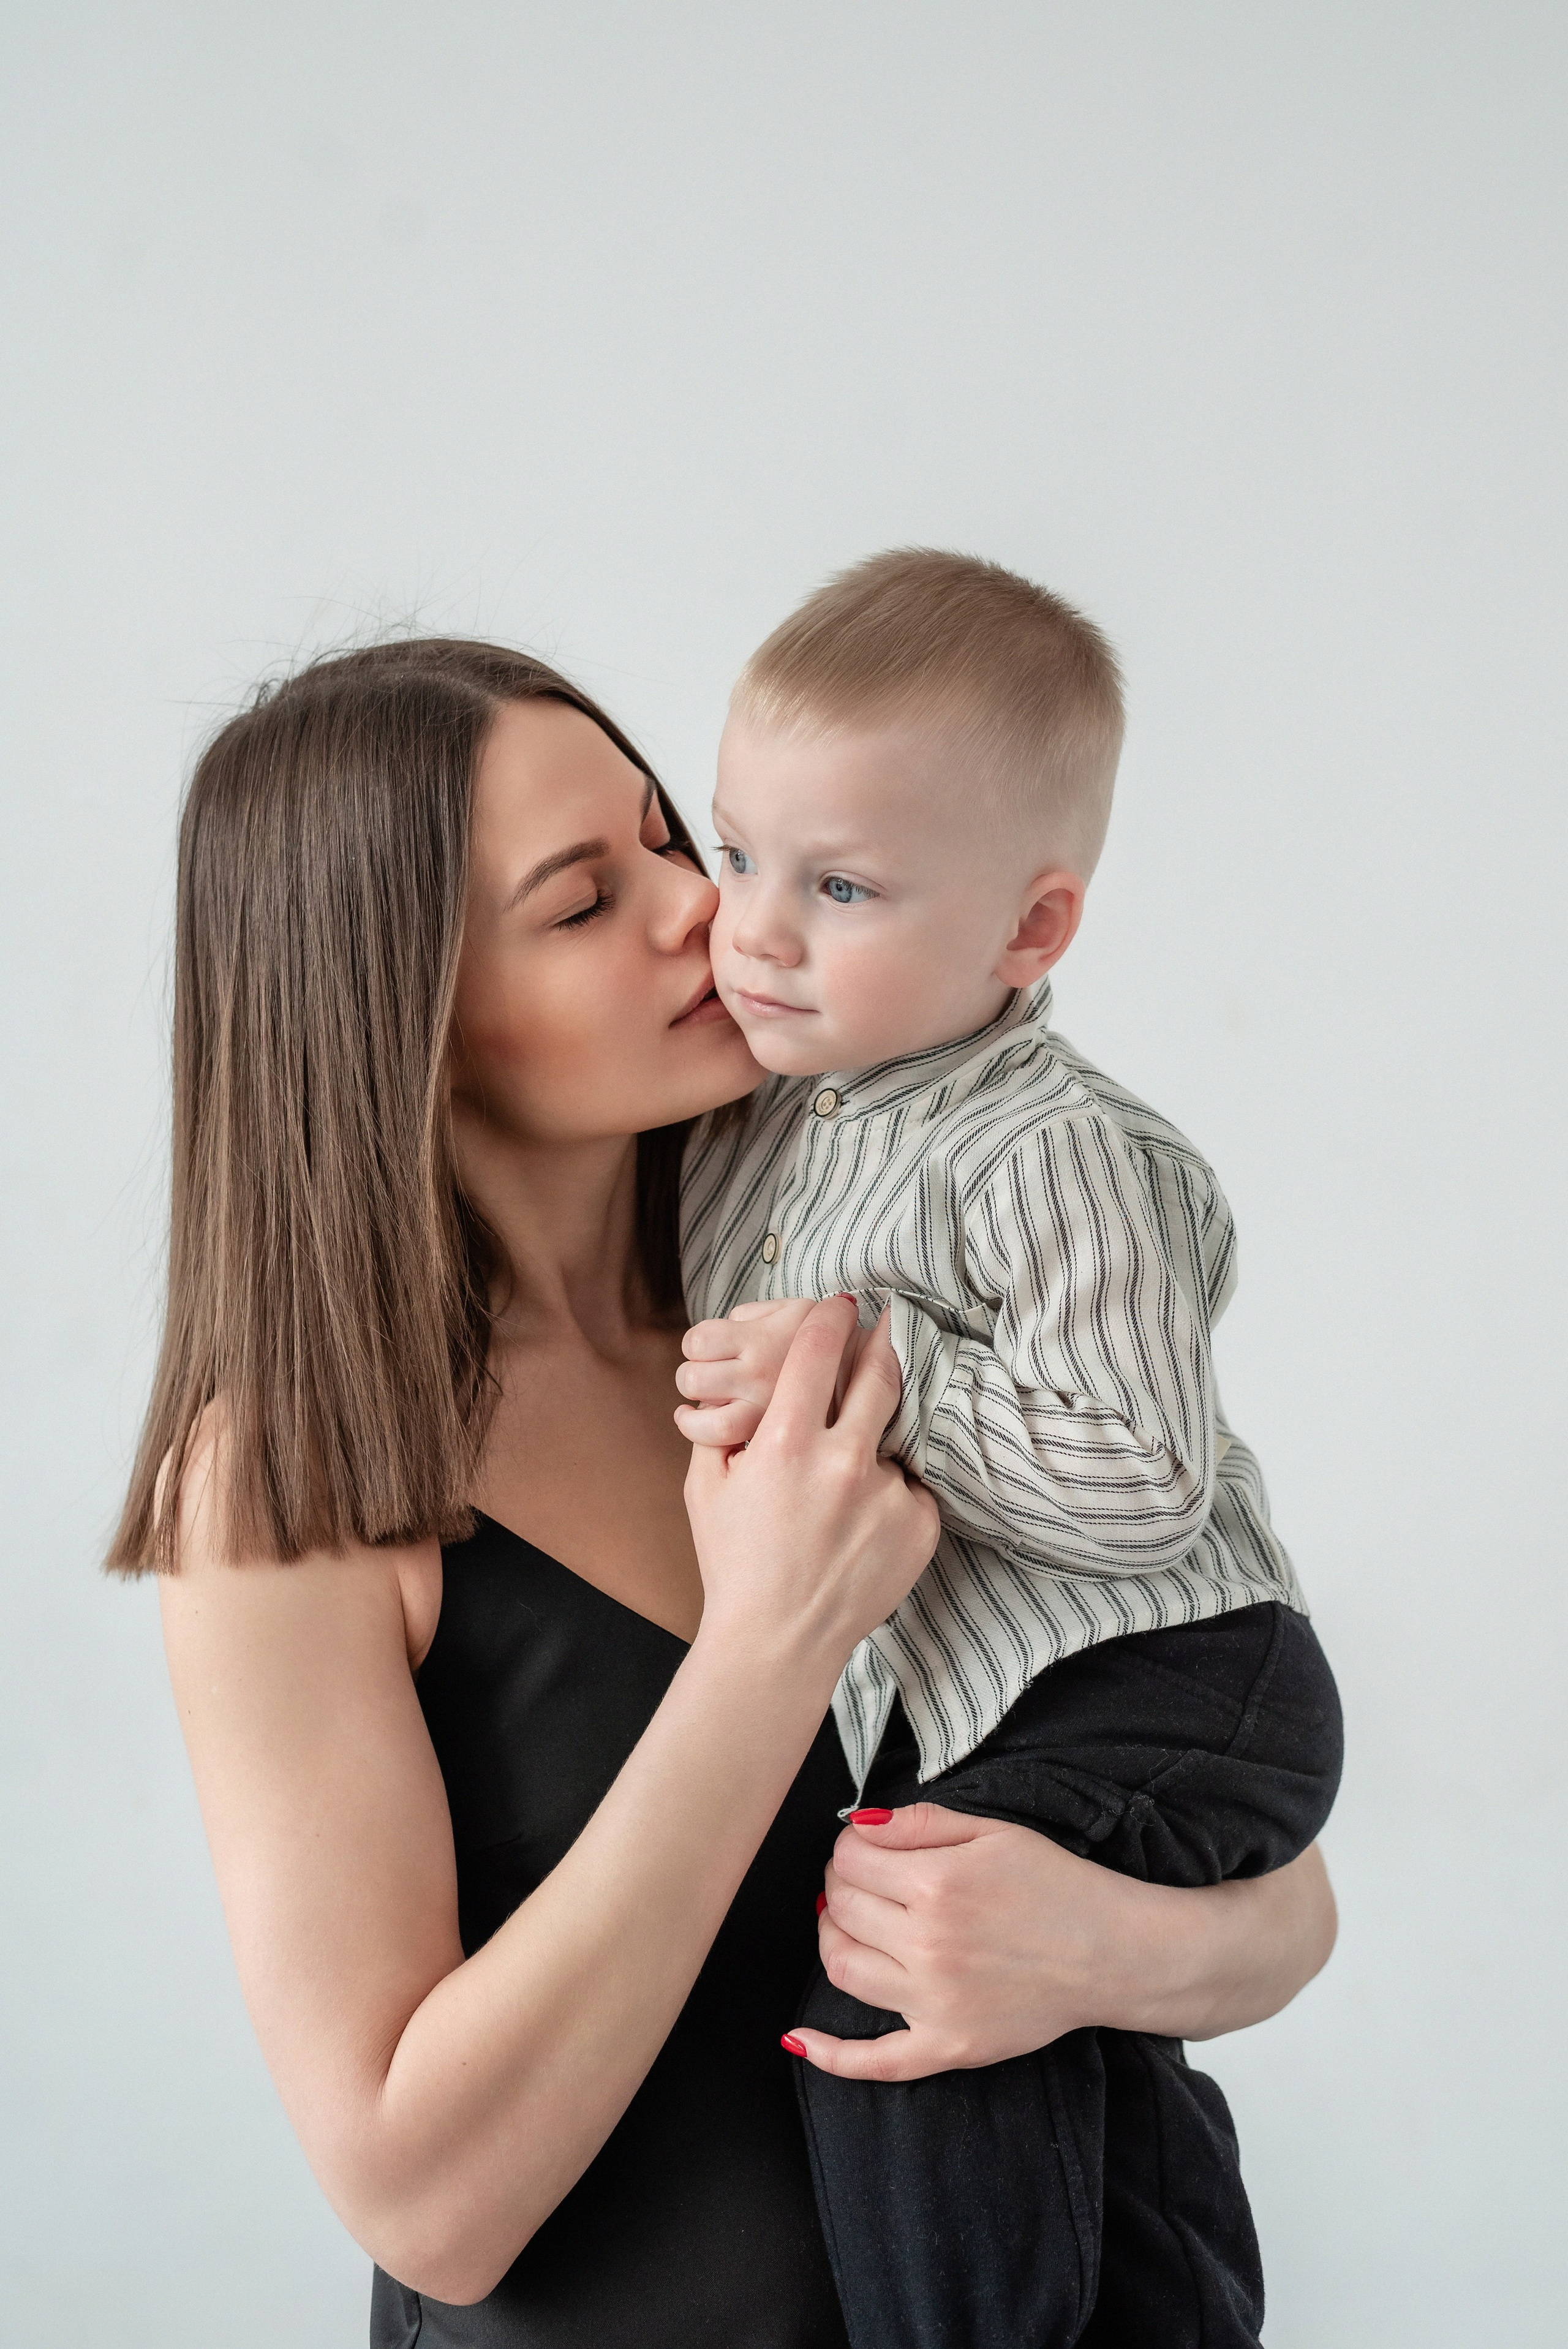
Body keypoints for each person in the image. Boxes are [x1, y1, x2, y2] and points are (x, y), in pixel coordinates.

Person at [109, 635, 1338, 2348]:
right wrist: (769, 1650)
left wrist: (1091, 1945)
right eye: (582, 899)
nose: (707, 911)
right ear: (407, 1013)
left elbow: (1285, 1899)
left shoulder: (850, 1278)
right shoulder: (287, 1476)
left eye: (671, 841)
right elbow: (427, 2201)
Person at [677, 549, 1343, 2348]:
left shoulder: (1064, 1153)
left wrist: (870, 1371)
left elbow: (1144, 1477)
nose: (754, 927)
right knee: (1071, 2042)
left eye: (843, 886)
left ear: (1031, 930)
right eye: (734, 851)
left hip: (1177, 1666)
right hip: (1012, 1692)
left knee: (900, 1948)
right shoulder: (765, 1124)